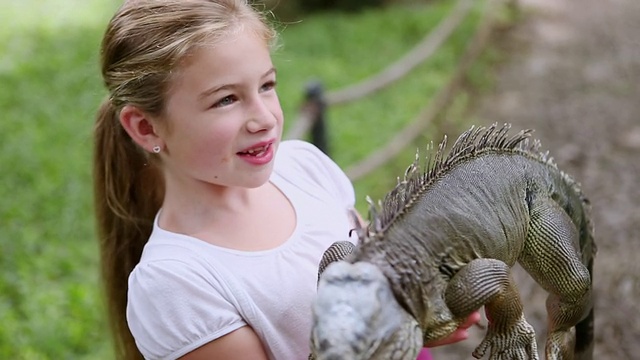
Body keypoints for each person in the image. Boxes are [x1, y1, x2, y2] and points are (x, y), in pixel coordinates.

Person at [93, 0, 481, 359]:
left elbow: (378, 270)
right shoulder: (175, 283)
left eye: (267, 85)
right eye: (226, 99)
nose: (263, 118)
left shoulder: (302, 167)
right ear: (145, 127)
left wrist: (432, 298)